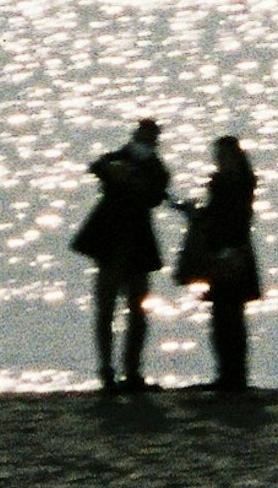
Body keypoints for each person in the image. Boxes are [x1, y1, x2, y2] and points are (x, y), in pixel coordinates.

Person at [69, 118, 172, 390]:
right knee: (107, 308)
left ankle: (131, 370)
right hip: (112, 240)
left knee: (136, 310)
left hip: (136, 241)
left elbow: (154, 194)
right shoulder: (119, 158)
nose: (147, 140)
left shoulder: (157, 169)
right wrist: (115, 171)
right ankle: (107, 370)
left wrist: (132, 180)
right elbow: (98, 166)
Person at [172, 135, 264, 393]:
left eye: (223, 157)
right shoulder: (236, 183)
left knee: (229, 316)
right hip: (230, 252)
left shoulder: (234, 184)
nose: (220, 162)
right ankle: (230, 374)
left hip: (231, 253)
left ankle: (233, 375)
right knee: (225, 316)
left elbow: (232, 220)